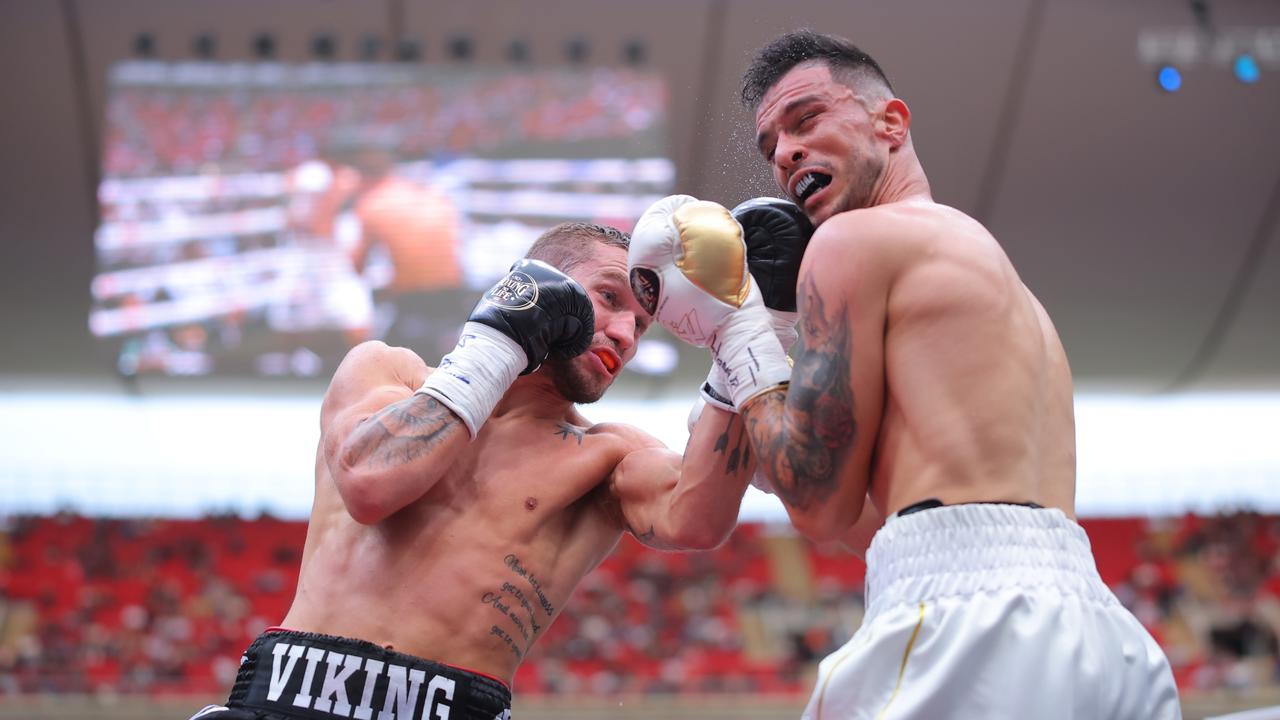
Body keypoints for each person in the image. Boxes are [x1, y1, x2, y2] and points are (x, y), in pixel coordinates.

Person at [629, 29, 1181, 720]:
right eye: (771, 147)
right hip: (1098, 637)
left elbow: (818, 505)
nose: (786, 153)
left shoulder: (850, 242)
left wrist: (745, 338)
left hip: (967, 623)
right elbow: (870, 521)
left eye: (806, 121)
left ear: (890, 123)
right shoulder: (987, 272)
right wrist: (771, 446)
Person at [190, 222, 760, 720]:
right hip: (289, 696)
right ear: (537, 283)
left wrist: (743, 341)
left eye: (641, 325)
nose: (624, 335)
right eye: (609, 298)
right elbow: (370, 485)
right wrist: (500, 341)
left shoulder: (606, 455)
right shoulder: (388, 373)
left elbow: (698, 522)